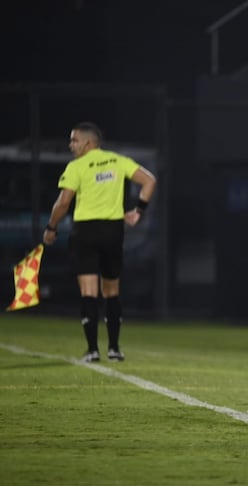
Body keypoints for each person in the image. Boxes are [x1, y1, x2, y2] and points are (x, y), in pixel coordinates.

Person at [42, 122, 156, 363]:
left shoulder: (77, 167)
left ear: (88, 142)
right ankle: (114, 348)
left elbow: (63, 203)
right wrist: (138, 211)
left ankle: (93, 350)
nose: (71, 145)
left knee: (88, 291)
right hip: (113, 231)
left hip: (85, 231)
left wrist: (51, 227)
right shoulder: (117, 161)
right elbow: (149, 181)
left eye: (74, 140)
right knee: (112, 291)